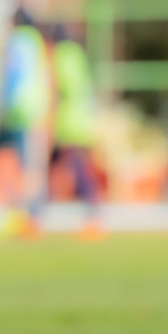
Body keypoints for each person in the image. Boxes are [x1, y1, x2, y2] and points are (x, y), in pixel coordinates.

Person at [0, 8, 50, 236]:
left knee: (4, 159)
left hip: (16, 108)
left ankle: (14, 213)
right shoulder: (37, 41)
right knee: (31, 164)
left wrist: (3, 104)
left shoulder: (15, 40)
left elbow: (11, 73)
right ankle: (32, 215)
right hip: (35, 108)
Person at [47, 24, 102, 235]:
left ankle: (92, 214)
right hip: (83, 119)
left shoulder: (62, 56)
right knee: (61, 166)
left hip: (69, 122)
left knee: (76, 169)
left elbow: (60, 88)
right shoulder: (77, 53)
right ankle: (39, 212)